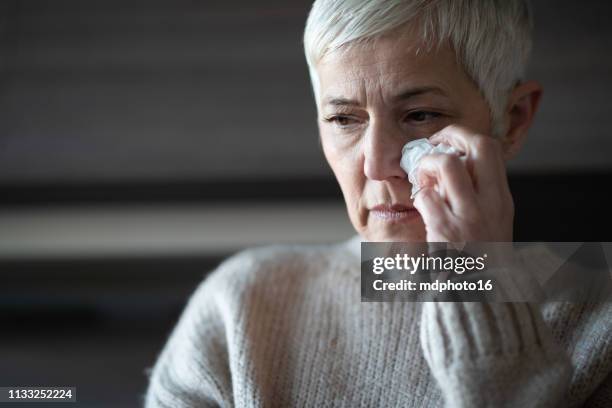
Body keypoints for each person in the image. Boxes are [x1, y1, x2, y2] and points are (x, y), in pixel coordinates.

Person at [145, 1, 612, 406]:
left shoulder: (600, 319)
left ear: (511, 120)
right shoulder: (239, 307)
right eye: (344, 119)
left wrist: (473, 278)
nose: (375, 165)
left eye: (420, 115)